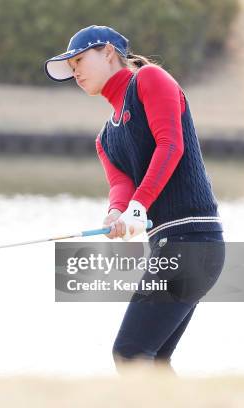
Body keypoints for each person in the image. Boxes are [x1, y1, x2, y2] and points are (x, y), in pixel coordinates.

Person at [44, 25, 225, 374]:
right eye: (71, 67)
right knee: (152, 360)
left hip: (194, 241)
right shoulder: (105, 138)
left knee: (130, 352)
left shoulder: (149, 79)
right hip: (170, 246)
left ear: (109, 52)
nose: (75, 72)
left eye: (80, 60)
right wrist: (115, 215)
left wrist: (138, 207)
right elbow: (120, 187)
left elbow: (170, 144)